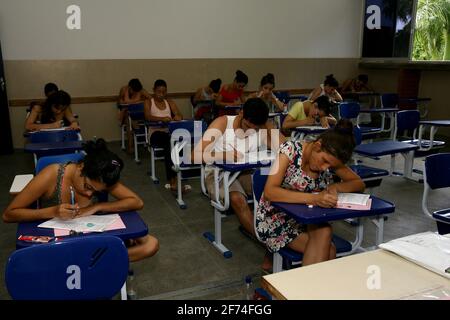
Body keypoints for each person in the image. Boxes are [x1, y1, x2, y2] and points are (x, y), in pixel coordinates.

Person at [2, 139, 159, 262]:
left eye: (97, 191)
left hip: (92, 238)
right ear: (81, 167)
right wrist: (53, 212)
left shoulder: (102, 178)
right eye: (87, 186)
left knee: (150, 244)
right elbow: (9, 214)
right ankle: (94, 263)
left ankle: (87, 263)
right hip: (59, 243)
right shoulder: (51, 175)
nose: (90, 194)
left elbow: (137, 202)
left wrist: (97, 207)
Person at [193, 98, 286, 270]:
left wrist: (270, 129)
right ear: (241, 113)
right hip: (218, 174)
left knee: (274, 191)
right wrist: (223, 155)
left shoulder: (262, 126)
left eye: (255, 128)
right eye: (248, 126)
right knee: (237, 200)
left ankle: (276, 234)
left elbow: (286, 148)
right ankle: (271, 245)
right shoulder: (222, 123)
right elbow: (195, 155)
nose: (251, 131)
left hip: (246, 172)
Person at [256, 119, 365, 266]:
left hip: (307, 218)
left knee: (325, 232)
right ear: (317, 145)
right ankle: (307, 288)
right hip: (276, 218)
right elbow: (270, 192)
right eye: (324, 161)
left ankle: (306, 286)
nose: (325, 168)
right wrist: (315, 198)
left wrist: (335, 188)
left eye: (330, 166)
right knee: (329, 248)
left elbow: (358, 183)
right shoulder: (290, 150)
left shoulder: (330, 159)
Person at [144, 79, 187, 192]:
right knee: (170, 143)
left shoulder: (170, 102)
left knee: (180, 142)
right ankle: (172, 180)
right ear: (154, 90)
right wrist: (162, 119)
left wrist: (178, 116)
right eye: (159, 91)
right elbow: (148, 117)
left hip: (169, 133)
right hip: (155, 133)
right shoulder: (149, 102)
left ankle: (179, 172)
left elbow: (180, 115)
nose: (161, 94)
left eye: (164, 92)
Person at [118, 79, 152, 153]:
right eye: (133, 90)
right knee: (128, 119)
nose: (134, 92)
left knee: (134, 118)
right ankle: (131, 146)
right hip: (127, 113)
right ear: (129, 87)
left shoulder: (141, 91)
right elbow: (120, 102)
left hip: (139, 113)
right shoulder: (124, 90)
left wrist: (141, 102)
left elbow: (151, 100)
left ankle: (146, 139)